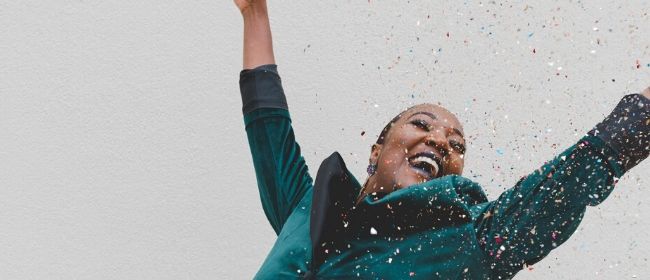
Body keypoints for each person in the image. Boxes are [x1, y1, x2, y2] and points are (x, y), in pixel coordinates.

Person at [234, 1, 650, 279]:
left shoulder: (470, 243)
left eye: (457, 145)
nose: (440, 141)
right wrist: (255, 12)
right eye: (421, 124)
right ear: (377, 150)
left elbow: (572, 179)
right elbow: (269, 125)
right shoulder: (306, 210)